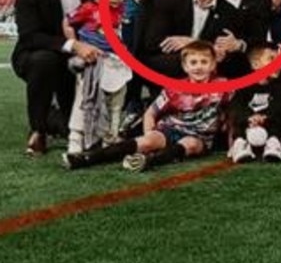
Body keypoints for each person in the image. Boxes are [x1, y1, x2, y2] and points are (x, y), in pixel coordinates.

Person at [64, 41, 231, 172]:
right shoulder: (175, 88)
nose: (199, 66)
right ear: (185, 66)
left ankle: (147, 161)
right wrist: (150, 133)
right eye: (193, 62)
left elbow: (234, 111)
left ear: (213, 65)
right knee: (147, 141)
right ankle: (87, 158)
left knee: (191, 145)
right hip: (171, 128)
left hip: (200, 137)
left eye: (204, 62)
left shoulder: (222, 86)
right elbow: (150, 113)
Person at [14, 0, 97, 156]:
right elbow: (30, 36)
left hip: (81, 58)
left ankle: (56, 120)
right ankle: (38, 130)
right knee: (45, 60)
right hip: (37, 55)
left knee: (76, 125)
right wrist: (73, 45)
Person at [63, 0, 132, 153]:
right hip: (93, 61)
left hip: (116, 60)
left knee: (116, 100)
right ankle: (76, 137)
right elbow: (67, 21)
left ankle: (110, 137)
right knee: (86, 97)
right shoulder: (89, 8)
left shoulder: (121, 10)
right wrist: (76, 45)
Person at [226, 44, 281, 163]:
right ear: (255, 65)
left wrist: (265, 117)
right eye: (271, 59)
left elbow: (280, 106)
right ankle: (240, 145)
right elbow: (237, 105)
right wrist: (249, 117)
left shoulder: (280, 87)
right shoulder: (244, 86)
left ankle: (273, 144)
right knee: (237, 121)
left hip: (269, 126)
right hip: (248, 126)